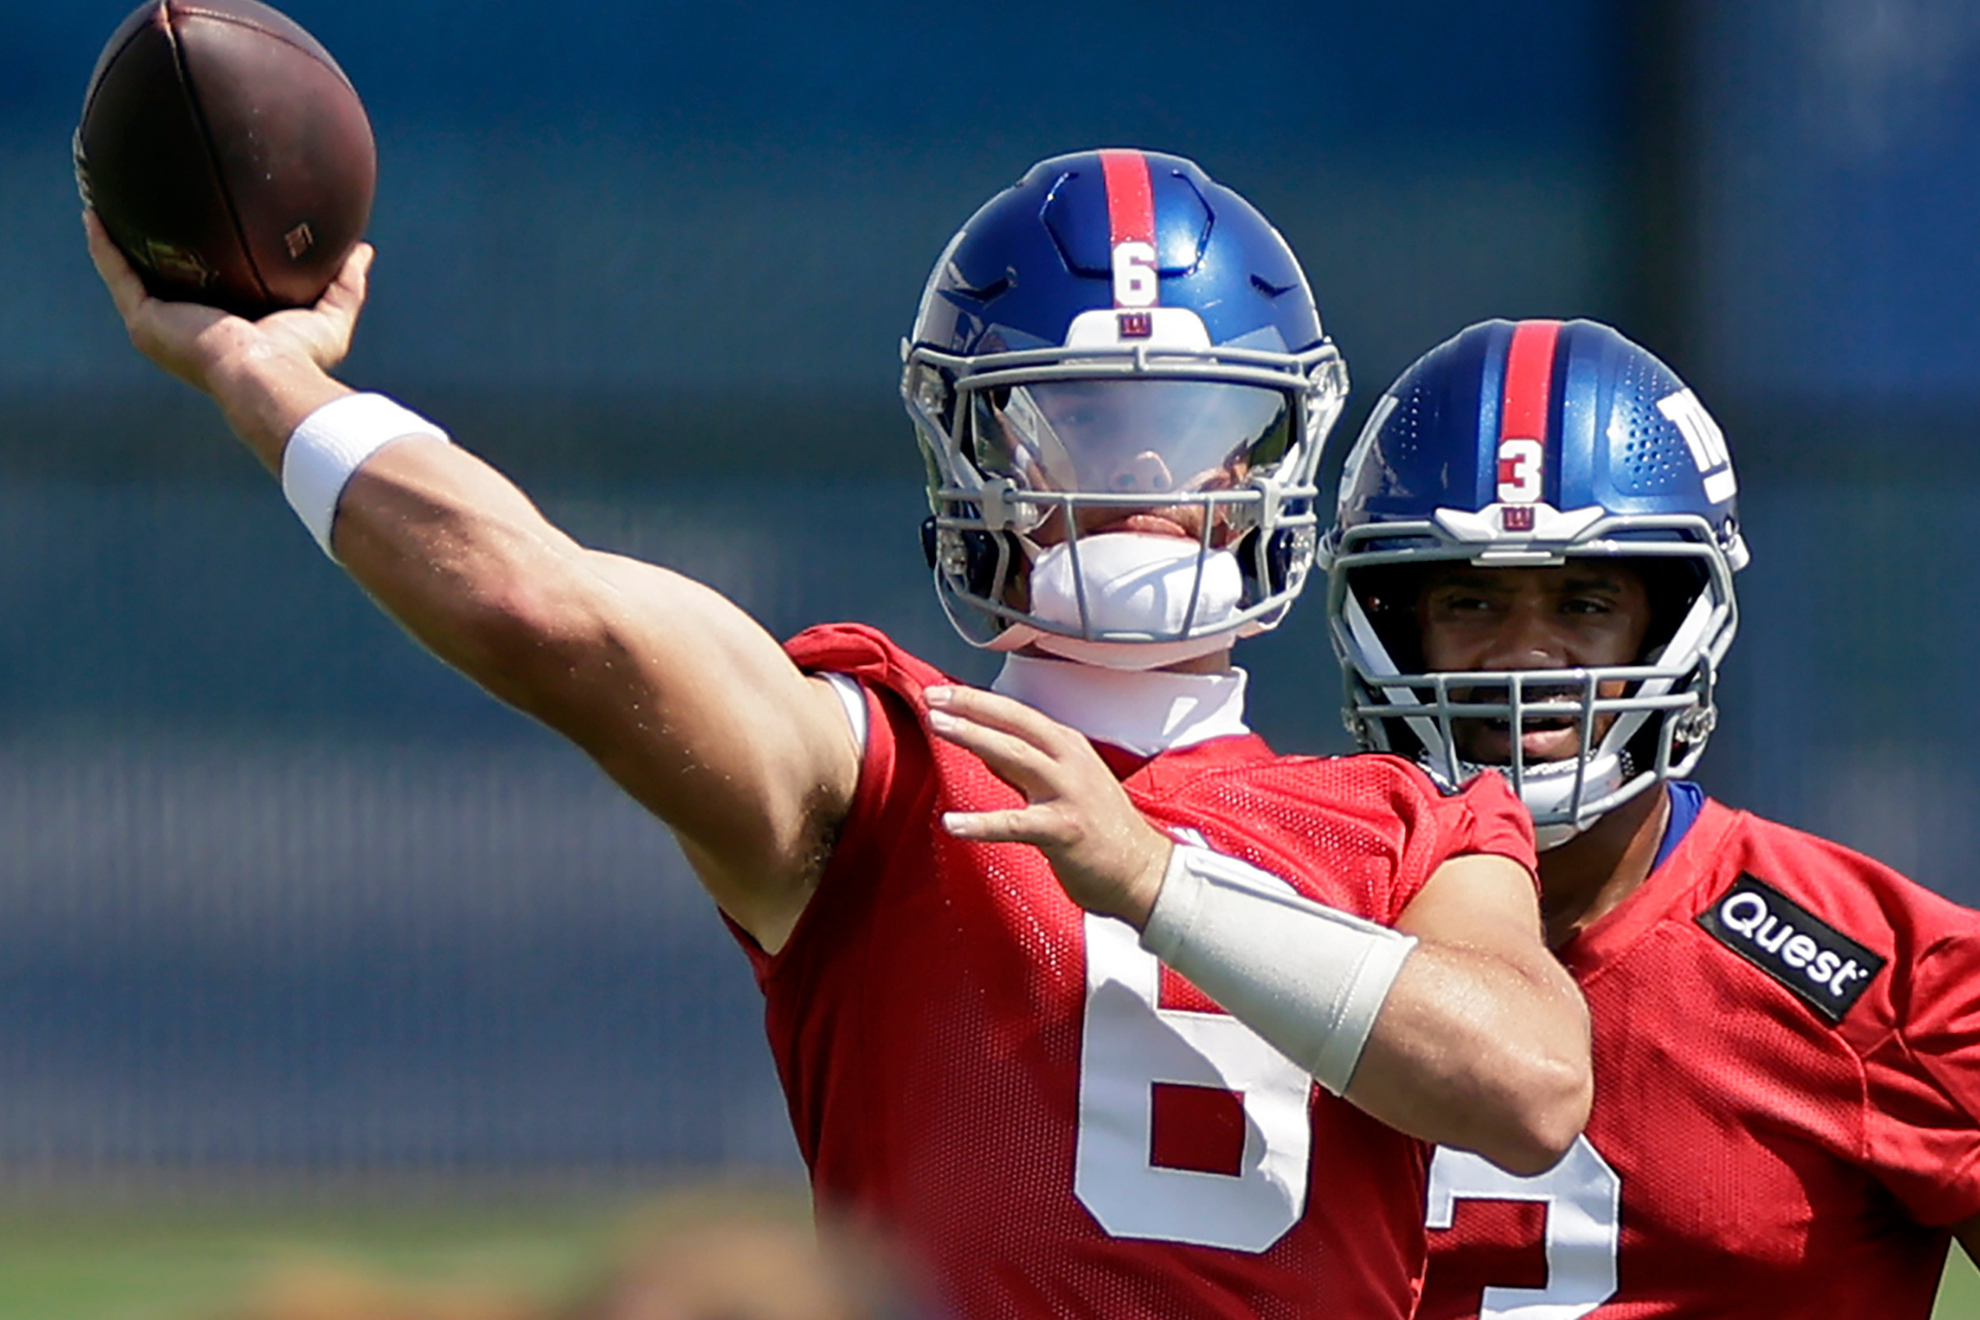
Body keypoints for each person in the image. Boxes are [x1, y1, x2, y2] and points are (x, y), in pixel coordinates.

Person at [87, 149, 1589, 1318]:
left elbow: (1527, 1088)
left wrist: (1155, 881)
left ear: (1274, 460)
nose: (1137, 483)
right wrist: (265, 373)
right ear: (969, 455)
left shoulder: (1413, 823)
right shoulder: (882, 768)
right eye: (1071, 430)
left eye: (1189, 434)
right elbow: (553, 610)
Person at [1321, 316, 1980, 1318]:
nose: (1525, 661)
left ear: (1675, 620)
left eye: (1584, 605)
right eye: (1469, 602)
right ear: (1388, 621)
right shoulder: (1280, 920)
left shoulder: (1886, 978)